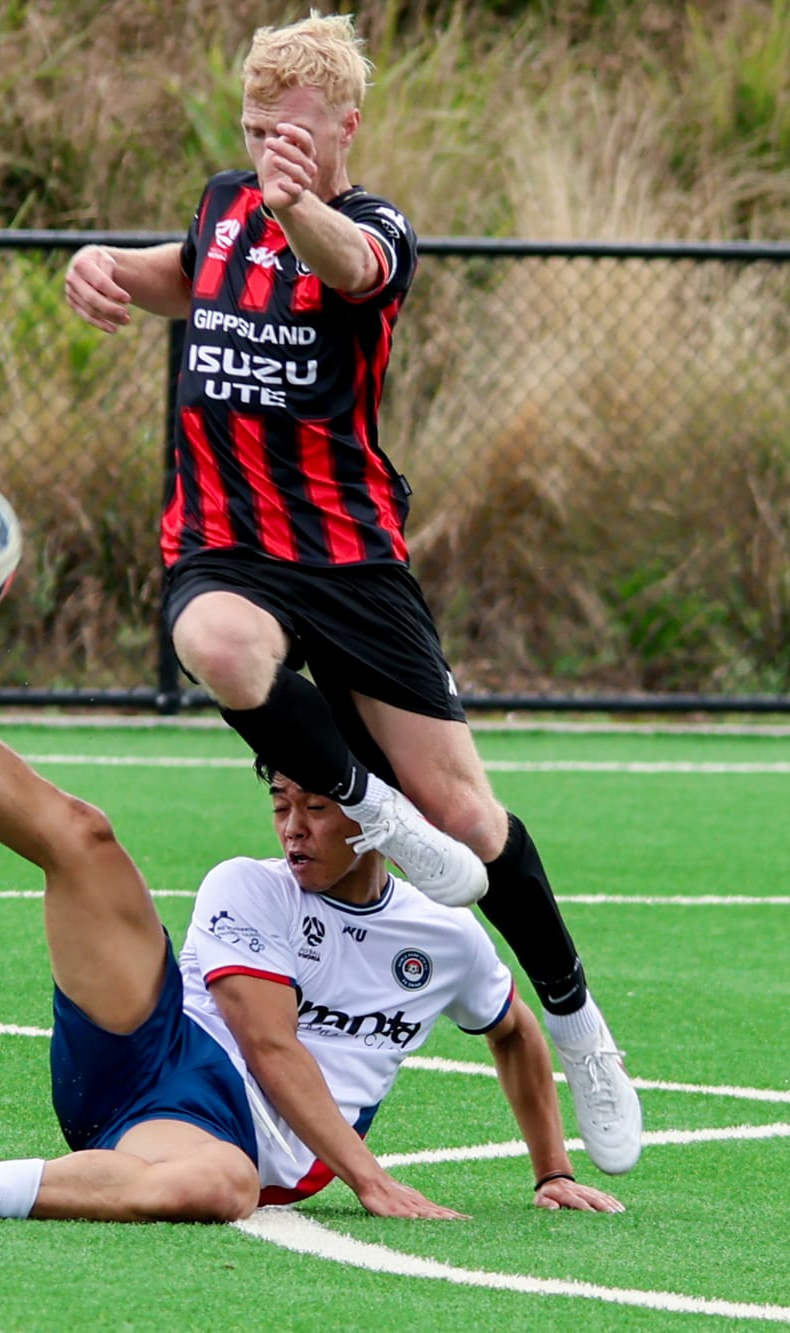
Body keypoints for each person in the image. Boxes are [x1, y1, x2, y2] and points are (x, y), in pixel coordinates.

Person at [61, 14, 640, 1171]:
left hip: (349, 558)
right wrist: (98, 268)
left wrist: (295, 206)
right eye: (251, 127)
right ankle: (365, 807)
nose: (265, 146)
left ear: (342, 130)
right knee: (219, 649)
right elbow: (178, 278)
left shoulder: (370, 229)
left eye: (288, 130)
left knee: (472, 827)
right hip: (225, 543)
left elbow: (349, 267)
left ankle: (580, 1033)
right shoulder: (226, 206)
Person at [0, 511, 623, 1222]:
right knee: (84, 839)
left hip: (211, 1131)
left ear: (381, 814)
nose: (292, 827)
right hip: (156, 1041)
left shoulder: (445, 935)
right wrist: (370, 1179)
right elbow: (268, 1046)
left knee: (222, 1184)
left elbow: (514, 1030)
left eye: (315, 804)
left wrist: (551, 1168)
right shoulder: (245, 886)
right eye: (280, 801)